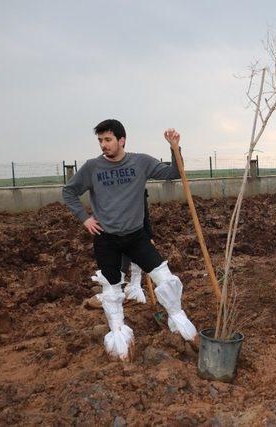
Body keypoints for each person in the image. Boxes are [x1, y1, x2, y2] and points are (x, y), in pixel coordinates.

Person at [63, 119, 195, 360]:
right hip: (106, 239)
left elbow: (173, 173)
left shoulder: (140, 162)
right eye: (100, 140)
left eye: (108, 140)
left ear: (121, 140)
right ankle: (120, 340)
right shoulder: (92, 168)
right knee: (112, 290)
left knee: (164, 278)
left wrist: (175, 148)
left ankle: (179, 321)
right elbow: (69, 191)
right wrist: (84, 218)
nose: (104, 145)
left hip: (136, 237)